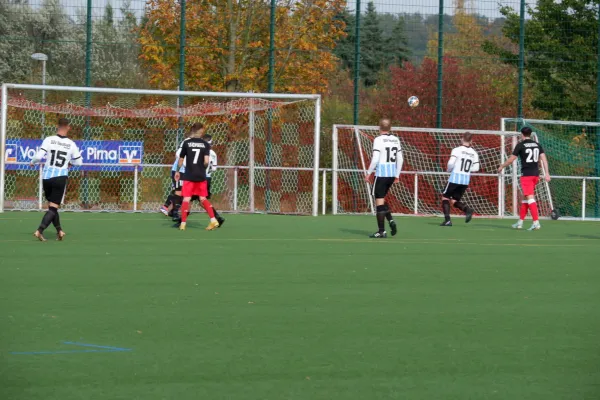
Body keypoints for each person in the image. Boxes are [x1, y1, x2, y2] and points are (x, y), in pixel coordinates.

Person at [30, 118, 82, 241]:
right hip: (60, 177)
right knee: (53, 208)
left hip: (47, 177)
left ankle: (59, 231)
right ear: (68, 127)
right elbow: (79, 162)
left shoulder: (49, 140)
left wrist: (32, 162)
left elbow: (38, 157)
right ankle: (39, 230)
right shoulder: (71, 144)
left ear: (57, 127)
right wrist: (70, 163)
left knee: (52, 207)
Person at [498, 126, 551, 230]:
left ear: (522, 134)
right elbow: (544, 159)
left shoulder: (521, 145)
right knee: (525, 198)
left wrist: (502, 166)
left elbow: (511, 159)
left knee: (530, 198)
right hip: (536, 175)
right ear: (530, 134)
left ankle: (536, 222)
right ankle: (520, 222)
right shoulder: (537, 145)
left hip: (527, 175)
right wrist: (547, 173)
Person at [174, 123, 219, 231]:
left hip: (189, 175)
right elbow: (206, 162)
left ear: (192, 131)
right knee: (202, 198)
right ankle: (213, 220)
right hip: (201, 175)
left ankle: (183, 224)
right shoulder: (205, 144)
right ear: (201, 131)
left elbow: (180, 160)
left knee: (186, 198)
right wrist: (201, 168)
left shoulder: (187, 143)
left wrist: (177, 171)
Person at [364, 118, 403, 238]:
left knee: (379, 203)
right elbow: (400, 159)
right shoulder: (396, 139)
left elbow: (375, 159)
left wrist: (369, 172)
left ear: (379, 128)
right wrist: (397, 175)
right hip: (391, 175)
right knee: (381, 201)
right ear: (390, 128)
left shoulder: (378, 140)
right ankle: (390, 221)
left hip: (381, 175)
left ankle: (381, 231)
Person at [440, 132, 479, 226]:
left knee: (445, 197)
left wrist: (449, 170)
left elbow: (450, 163)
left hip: (455, 178)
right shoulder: (474, 153)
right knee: (454, 200)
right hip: (465, 180)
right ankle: (467, 209)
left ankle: (448, 220)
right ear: (471, 141)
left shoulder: (456, 150)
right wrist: (467, 170)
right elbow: (476, 168)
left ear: (462, 139)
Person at [160, 131, 192, 217]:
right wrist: (184, 164)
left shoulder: (192, 144)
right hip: (179, 171)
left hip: (184, 171)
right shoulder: (187, 143)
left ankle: (171, 209)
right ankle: (168, 208)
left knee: (180, 191)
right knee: (179, 192)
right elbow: (178, 154)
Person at [202, 134, 225, 227]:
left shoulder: (202, 151)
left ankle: (181, 220)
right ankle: (217, 217)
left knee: (189, 198)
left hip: (199, 178)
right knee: (202, 200)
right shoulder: (213, 153)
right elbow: (214, 168)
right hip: (208, 178)